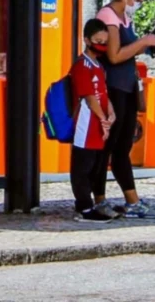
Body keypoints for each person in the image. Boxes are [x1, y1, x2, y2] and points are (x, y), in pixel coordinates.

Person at [93, 0, 155, 219]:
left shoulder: (124, 18)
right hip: (113, 89)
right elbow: (114, 55)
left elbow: (127, 52)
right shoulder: (108, 17)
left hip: (127, 87)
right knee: (108, 146)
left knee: (122, 147)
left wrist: (147, 45)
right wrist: (143, 41)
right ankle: (100, 199)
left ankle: (132, 200)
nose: (138, 4)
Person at [69, 18, 116, 223]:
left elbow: (103, 93)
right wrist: (103, 117)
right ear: (87, 40)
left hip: (99, 123)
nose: (102, 46)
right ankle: (84, 207)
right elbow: (89, 97)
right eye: (98, 41)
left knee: (96, 165)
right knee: (83, 165)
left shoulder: (99, 65)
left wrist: (110, 114)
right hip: (86, 123)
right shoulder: (82, 66)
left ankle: (91, 204)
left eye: (105, 42)